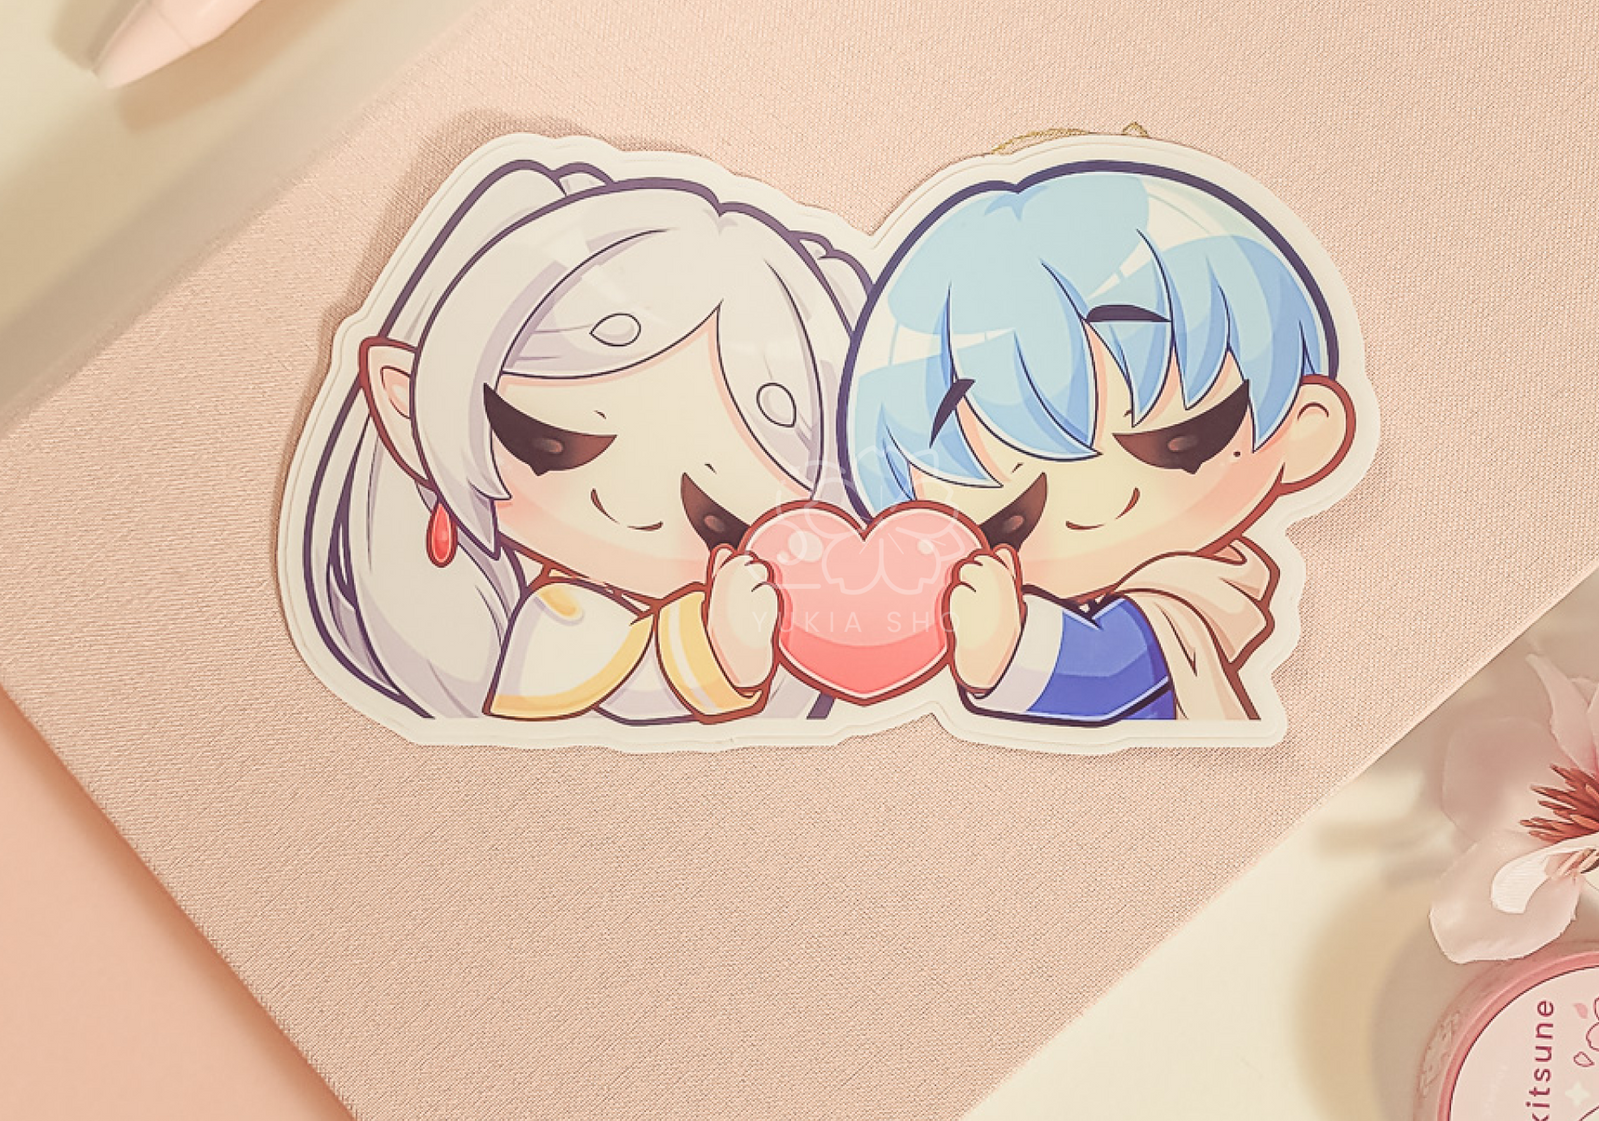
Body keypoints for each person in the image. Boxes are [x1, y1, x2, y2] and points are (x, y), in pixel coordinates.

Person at [291, 150, 862, 728]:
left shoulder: (613, 630)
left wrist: (729, 659)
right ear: (405, 400)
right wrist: (715, 664)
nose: (629, 509)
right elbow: (508, 681)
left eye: (717, 524)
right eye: (550, 444)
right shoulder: (462, 607)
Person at [841, 157, 1360, 726]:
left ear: (1306, 424)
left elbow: (1111, 671)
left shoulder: (1196, 595)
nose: (1099, 508)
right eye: (1011, 522)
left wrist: (1009, 655)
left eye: (1178, 443)